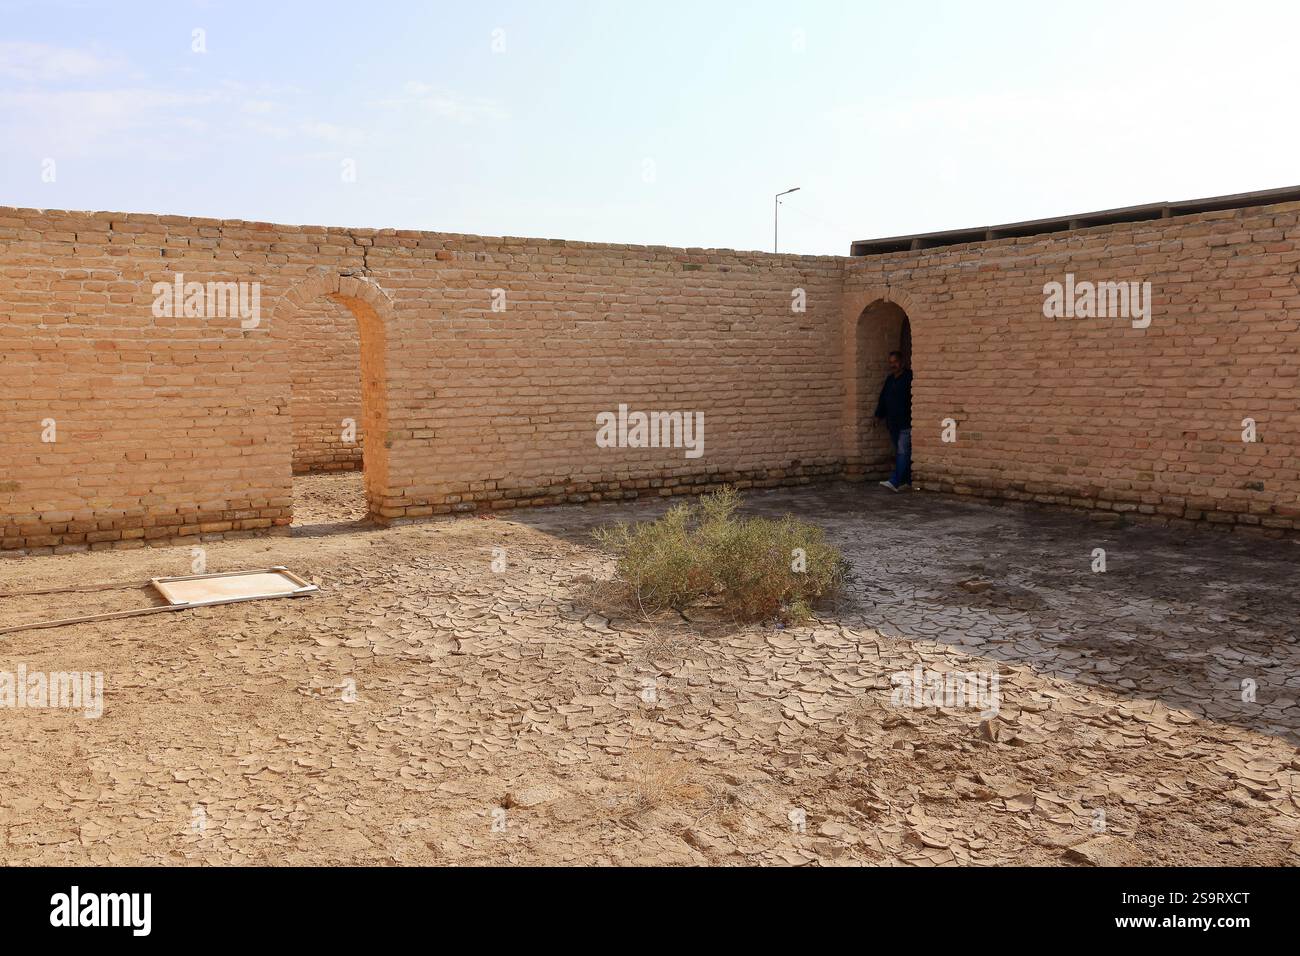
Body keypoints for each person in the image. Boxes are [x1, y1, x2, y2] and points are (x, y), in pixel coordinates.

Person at [874, 350, 912, 491]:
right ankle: (907, 481)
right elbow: (883, 399)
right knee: (902, 452)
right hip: (893, 423)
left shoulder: (909, 378)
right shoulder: (890, 380)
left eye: (895, 362)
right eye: (891, 362)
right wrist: (878, 415)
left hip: (906, 422)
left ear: (901, 362)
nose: (893, 365)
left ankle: (895, 481)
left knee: (902, 451)